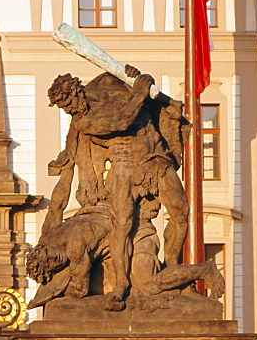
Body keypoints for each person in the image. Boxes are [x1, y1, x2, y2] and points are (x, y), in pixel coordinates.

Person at [46, 66, 189, 310]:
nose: (69, 109)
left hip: (155, 157)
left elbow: (141, 92)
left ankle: (173, 267)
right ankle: (121, 285)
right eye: (63, 107)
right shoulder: (84, 121)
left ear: (77, 91)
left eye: (68, 101)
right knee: (121, 225)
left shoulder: (102, 89)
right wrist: (140, 93)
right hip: (124, 166)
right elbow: (123, 120)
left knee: (181, 214)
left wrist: (133, 77)